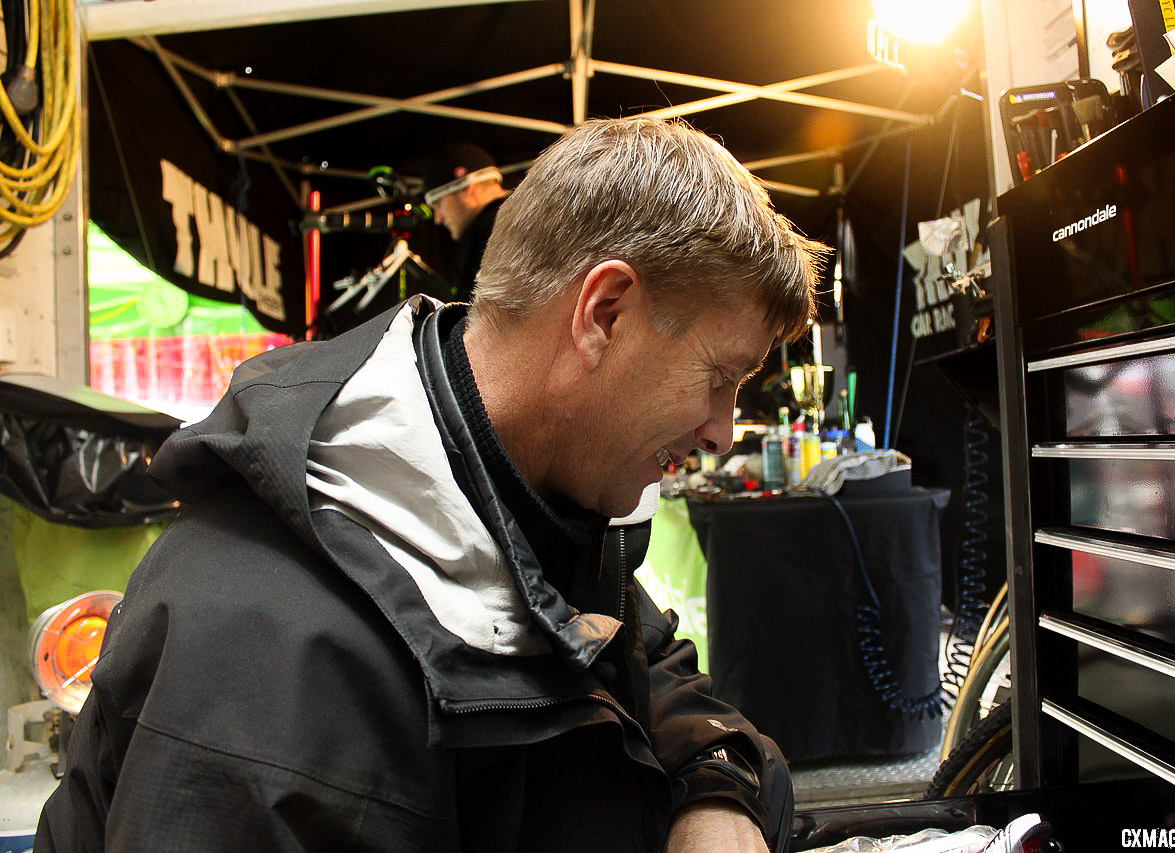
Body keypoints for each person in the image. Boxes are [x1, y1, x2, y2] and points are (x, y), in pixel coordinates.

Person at [36, 117, 827, 852]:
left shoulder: (532, 496)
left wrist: (715, 787)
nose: (724, 428)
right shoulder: (272, 662)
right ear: (606, 313)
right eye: (721, 377)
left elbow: (643, 663)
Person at [423, 141, 509, 300]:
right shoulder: (530, 214)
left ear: (467, 186)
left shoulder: (483, 233)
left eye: (438, 204)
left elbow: (469, 318)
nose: (437, 219)